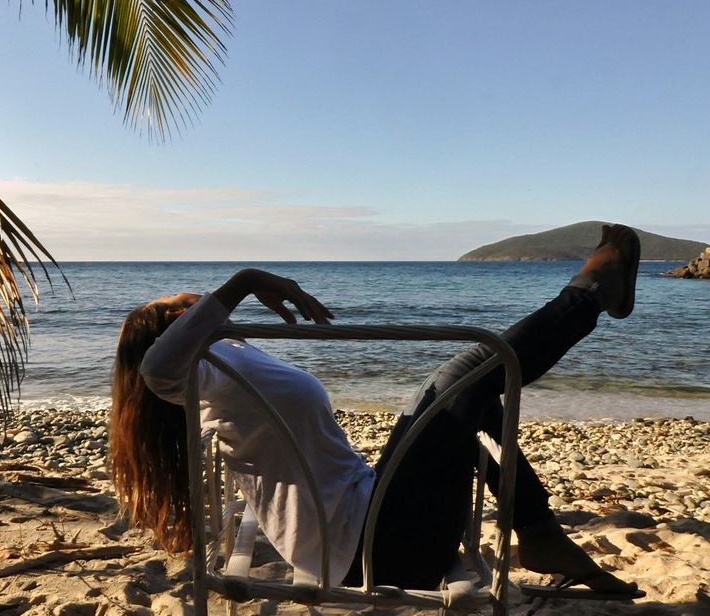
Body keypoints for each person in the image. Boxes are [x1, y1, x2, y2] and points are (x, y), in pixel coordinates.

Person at [108, 224, 643, 596]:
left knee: (461, 387)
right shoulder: (197, 374)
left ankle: (540, 531)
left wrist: (227, 304)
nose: (189, 298)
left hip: (377, 517)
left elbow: (182, 344)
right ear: (176, 324)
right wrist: (247, 280)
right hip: (374, 550)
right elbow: (155, 368)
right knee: (467, 374)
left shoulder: (227, 359)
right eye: (176, 306)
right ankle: (592, 290)